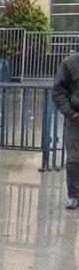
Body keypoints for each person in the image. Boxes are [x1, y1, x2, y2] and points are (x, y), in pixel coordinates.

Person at [52, 49, 79, 210]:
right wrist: (71, 113)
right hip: (76, 119)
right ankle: (74, 195)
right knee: (74, 159)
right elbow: (57, 91)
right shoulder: (70, 63)